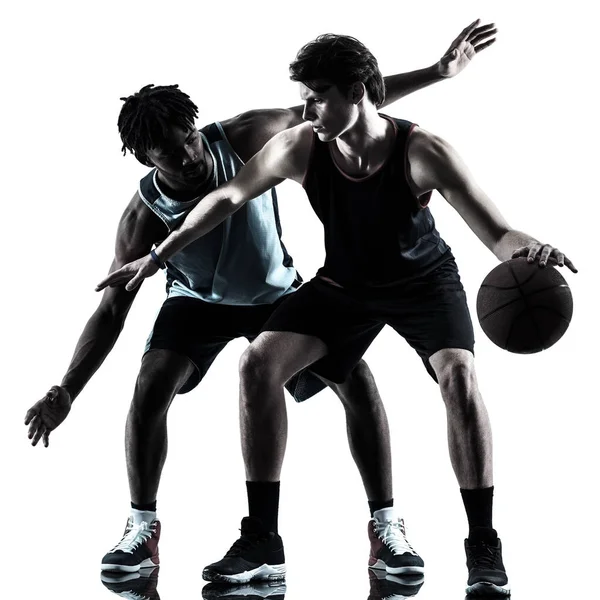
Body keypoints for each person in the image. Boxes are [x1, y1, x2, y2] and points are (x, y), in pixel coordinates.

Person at [99, 27, 577, 596]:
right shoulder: (301, 145)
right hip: (344, 285)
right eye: (305, 95)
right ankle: (262, 539)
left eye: (320, 94)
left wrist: (528, 251)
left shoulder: (421, 150)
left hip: (422, 283)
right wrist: (156, 257)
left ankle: (482, 546)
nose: (307, 108)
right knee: (257, 365)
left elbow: (497, 233)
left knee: (460, 377)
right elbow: (226, 197)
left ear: (360, 91)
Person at [26, 19, 496, 580]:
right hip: (196, 302)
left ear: (196, 128)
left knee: (356, 380)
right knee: (150, 383)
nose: (188, 158)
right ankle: (142, 527)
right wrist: (67, 389)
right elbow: (111, 310)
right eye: (169, 157)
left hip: (274, 291)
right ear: (145, 160)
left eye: (190, 141)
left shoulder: (246, 135)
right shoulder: (143, 211)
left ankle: (386, 526)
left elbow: (347, 107)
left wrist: (437, 73)